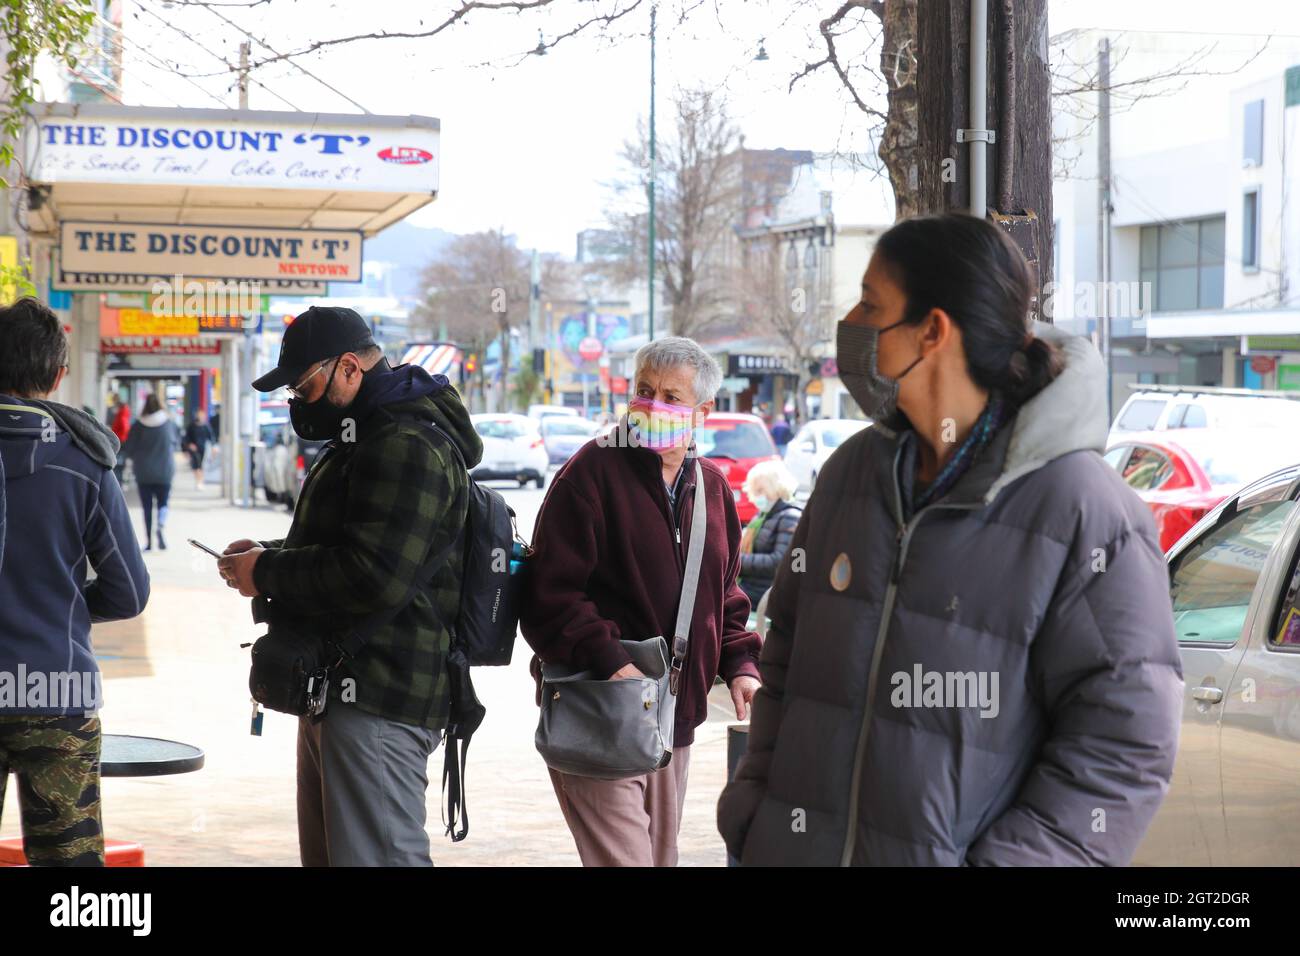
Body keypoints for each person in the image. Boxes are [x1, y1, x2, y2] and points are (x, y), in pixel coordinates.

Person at [718, 213, 1183, 866]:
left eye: (871, 303)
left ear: (932, 331)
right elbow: (787, 657)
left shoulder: (1085, 511)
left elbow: (1124, 745)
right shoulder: (853, 474)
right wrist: (756, 809)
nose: (851, 321)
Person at [215, 305, 482, 867]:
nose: (297, 401)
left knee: (379, 859)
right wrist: (267, 556)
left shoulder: (405, 442)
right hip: (340, 690)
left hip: (381, 694)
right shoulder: (366, 435)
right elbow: (357, 543)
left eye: (304, 386)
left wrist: (266, 572)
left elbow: (373, 575)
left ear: (350, 370)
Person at [521, 336, 763, 868]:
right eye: (644, 391)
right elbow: (548, 596)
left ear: (703, 412)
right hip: (601, 710)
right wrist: (614, 664)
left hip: (673, 722)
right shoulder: (589, 475)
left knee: (659, 860)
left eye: (671, 397)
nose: (653, 406)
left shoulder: (714, 491)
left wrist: (741, 663)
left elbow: (724, 598)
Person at [0, 297, 150, 866]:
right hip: (56, 689)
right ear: (59, 375)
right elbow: (129, 592)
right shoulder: (84, 463)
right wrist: (62, 601)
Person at [736, 459, 803, 610]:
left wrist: (737, 561)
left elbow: (779, 561)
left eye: (761, 490)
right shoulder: (763, 516)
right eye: (754, 491)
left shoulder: (790, 516)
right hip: (751, 585)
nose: (757, 496)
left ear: (776, 488)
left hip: (766, 591)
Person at [120, 394, 180, 551]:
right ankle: (161, 523)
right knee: (163, 503)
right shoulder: (169, 423)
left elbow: (129, 448)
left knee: (147, 507)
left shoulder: (139, 425)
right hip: (165, 471)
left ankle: (149, 542)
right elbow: (176, 443)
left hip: (143, 472)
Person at [183, 409, 215, 491]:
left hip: (203, 448)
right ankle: (199, 481)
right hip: (194, 449)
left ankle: (200, 481)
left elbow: (211, 437)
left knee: (201, 465)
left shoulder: (206, 426)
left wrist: (213, 447)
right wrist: (188, 447)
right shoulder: (192, 426)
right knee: (196, 465)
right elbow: (186, 438)